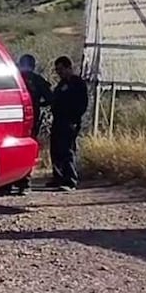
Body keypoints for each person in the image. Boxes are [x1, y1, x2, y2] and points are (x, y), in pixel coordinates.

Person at [5, 53, 51, 195]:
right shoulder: (38, 80)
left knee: (8, 148)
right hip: (30, 119)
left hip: (11, 118)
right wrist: (37, 104)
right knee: (27, 149)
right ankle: (23, 183)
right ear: (33, 65)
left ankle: (5, 184)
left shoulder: (12, 79)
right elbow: (50, 98)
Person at [48, 56, 88, 191]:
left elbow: (82, 104)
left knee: (67, 150)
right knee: (56, 150)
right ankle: (58, 177)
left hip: (70, 121)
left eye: (61, 69)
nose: (59, 72)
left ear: (68, 68)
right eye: (57, 70)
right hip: (58, 120)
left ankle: (70, 180)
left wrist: (73, 118)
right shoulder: (61, 84)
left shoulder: (77, 83)